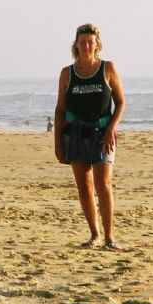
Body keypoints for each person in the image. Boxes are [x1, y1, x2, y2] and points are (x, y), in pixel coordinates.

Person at [54, 23, 126, 250]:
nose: (86, 46)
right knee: (84, 188)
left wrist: (111, 128)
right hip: (75, 136)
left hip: (102, 136)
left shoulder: (108, 68)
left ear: (97, 45)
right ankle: (95, 235)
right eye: (82, 42)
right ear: (76, 44)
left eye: (90, 42)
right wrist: (58, 142)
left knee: (103, 185)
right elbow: (60, 110)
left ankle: (110, 237)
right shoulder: (67, 73)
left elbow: (120, 102)